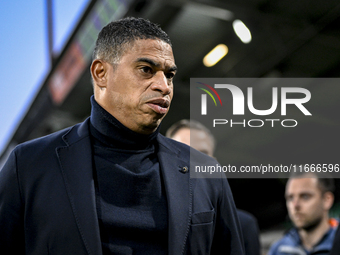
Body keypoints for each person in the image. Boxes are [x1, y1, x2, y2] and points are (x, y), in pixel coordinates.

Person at [0, 17, 244, 255]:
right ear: (101, 73)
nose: (164, 85)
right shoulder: (29, 165)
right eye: (146, 70)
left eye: (169, 74)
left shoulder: (205, 172)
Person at [166, 119, 261, 255]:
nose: (194, 160)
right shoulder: (150, 216)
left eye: (203, 153)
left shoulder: (243, 225)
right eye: (184, 151)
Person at [268, 171, 338, 255]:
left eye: (305, 196)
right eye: (290, 198)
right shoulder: (279, 250)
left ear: (327, 200)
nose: (295, 205)